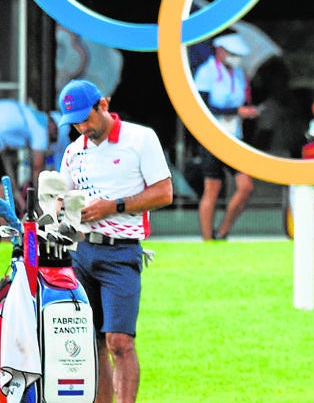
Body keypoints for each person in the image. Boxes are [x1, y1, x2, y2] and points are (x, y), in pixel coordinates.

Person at [56, 78, 173, 403]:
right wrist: (59, 205)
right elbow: (59, 198)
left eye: (86, 117)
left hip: (121, 252)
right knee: (90, 342)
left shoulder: (140, 139)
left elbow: (164, 193)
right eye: (75, 121)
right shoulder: (73, 151)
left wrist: (114, 206)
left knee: (119, 341)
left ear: (103, 105)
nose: (82, 126)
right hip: (81, 252)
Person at [192, 32, 258, 240]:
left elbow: (240, 100)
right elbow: (202, 107)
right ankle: (207, 239)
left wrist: (246, 110)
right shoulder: (206, 72)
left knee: (246, 186)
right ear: (220, 51)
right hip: (212, 137)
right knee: (212, 188)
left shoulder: (237, 73)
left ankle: (222, 231)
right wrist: (235, 111)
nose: (236, 58)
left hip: (234, 136)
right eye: (233, 53)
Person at [0, 98, 58, 214]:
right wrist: (40, 204)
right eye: (51, 139)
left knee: (4, 187)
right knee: (2, 192)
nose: (48, 144)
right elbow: (37, 168)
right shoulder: (41, 128)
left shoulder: (30, 113)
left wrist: (17, 195)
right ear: (52, 127)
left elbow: (4, 161)